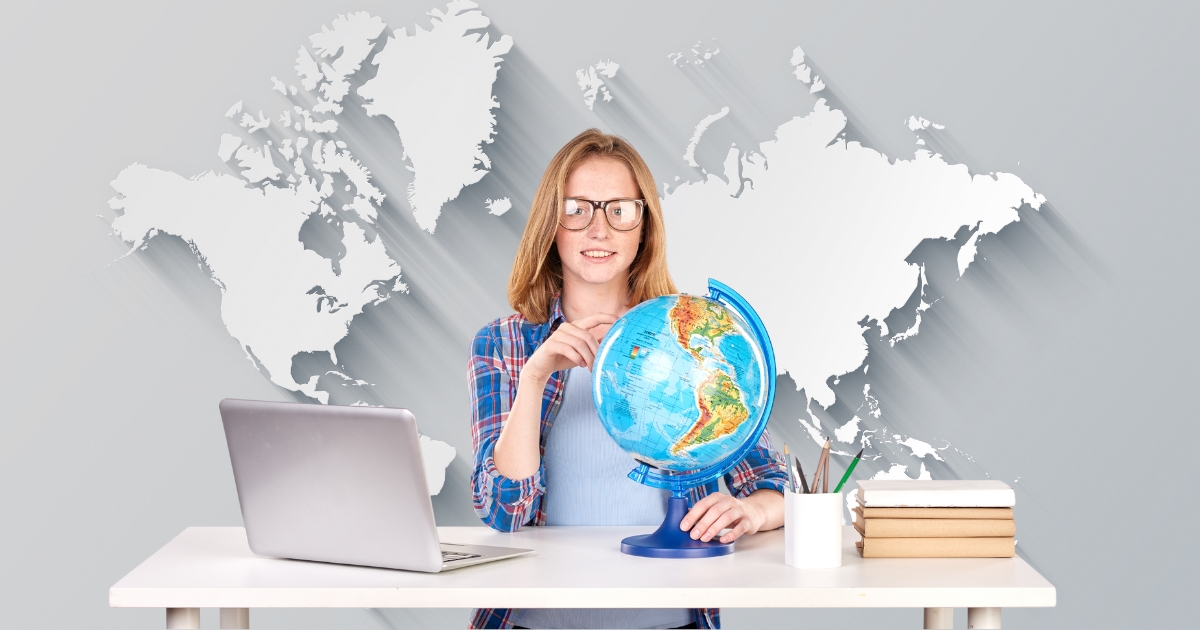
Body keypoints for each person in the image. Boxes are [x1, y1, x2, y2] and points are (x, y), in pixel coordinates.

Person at [468, 129, 787, 630]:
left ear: (644, 228)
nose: (599, 229)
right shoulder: (503, 344)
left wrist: (753, 514)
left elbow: (774, 486)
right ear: (551, 225)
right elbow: (504, 512)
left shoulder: (692, 337)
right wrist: (533, 379)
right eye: (577, 209)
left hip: (670, 621)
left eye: (620, 210)